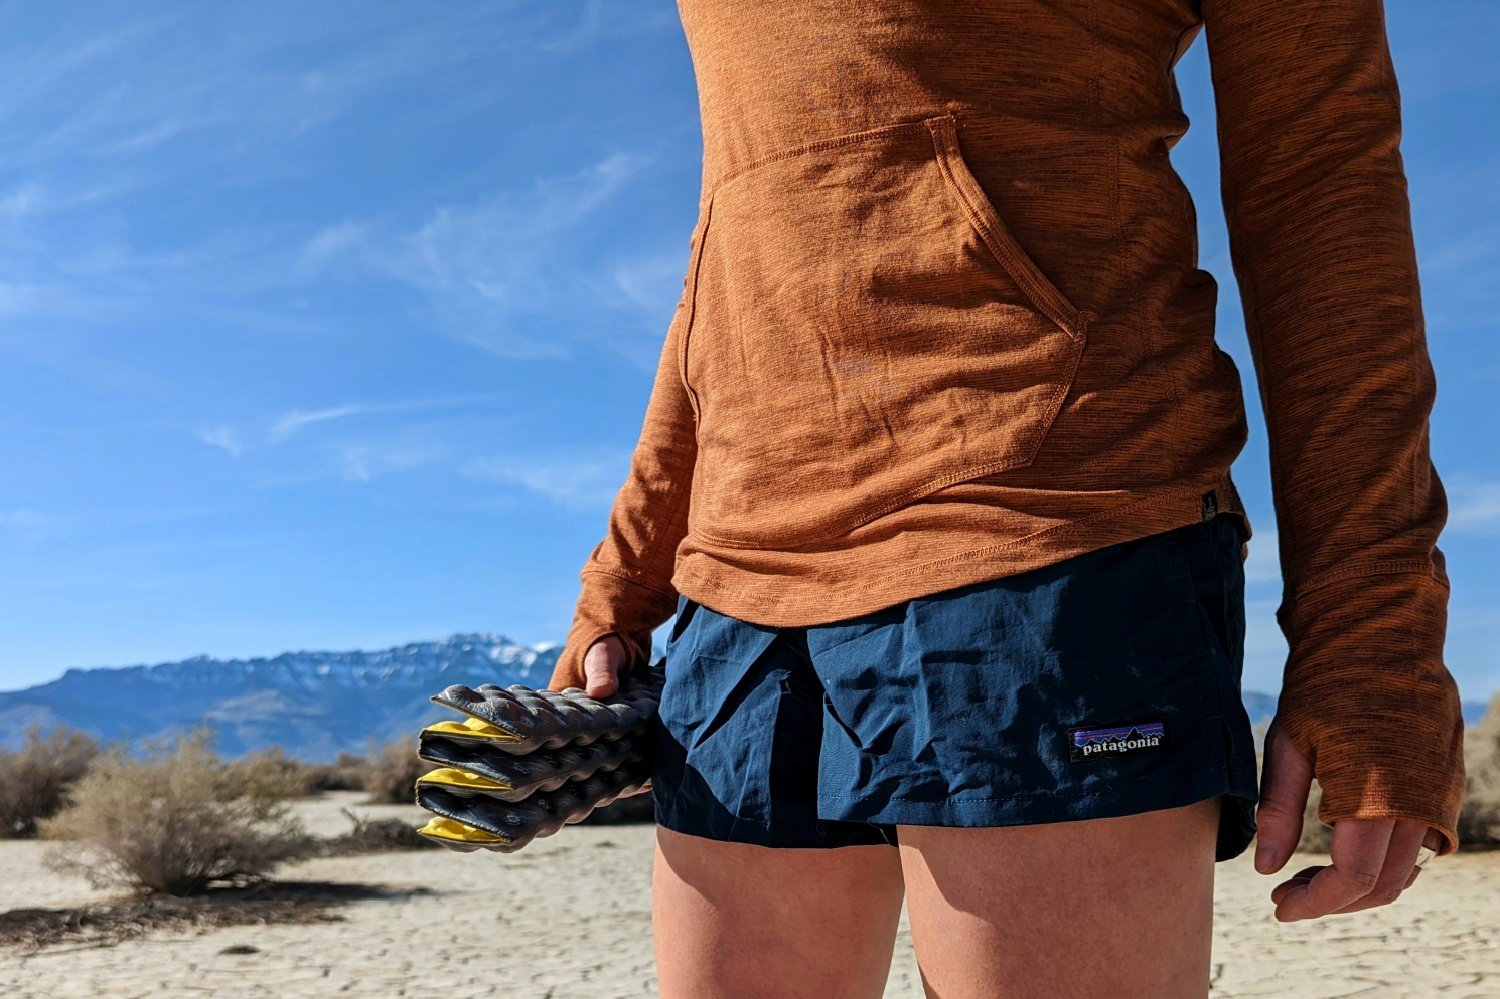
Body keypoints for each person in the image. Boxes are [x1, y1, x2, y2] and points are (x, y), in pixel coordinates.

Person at [547, 0, 1465, 994]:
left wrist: (1378, 648)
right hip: (743, 586)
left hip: (1052, 536)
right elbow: (730, 244)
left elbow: (1323, 191)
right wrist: (628, 574)